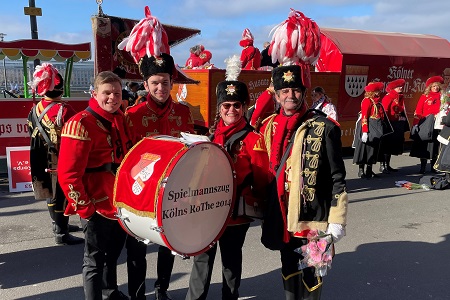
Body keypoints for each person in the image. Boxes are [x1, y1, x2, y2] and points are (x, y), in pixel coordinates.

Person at [260, 10, 347, 300]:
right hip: (284, 216)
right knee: (288, 268)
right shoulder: (270, 127)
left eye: (295, 90)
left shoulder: (325, 127)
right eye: (284, 91)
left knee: (313, 274)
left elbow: (337, 177)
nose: (290, 96)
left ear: (304, 91)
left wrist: (337, 219)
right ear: (276, 94)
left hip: (315, 218)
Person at [118, 6, 195, 300]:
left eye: (165, 82)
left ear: (172, 82)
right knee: (136, 246)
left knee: (168, 242)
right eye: (155, 83)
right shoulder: (132, 115)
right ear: (146, 84)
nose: (160, 87)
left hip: (173, 188)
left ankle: (162, 288)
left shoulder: (185, 113)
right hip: (141, 188)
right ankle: (137, 292)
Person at [185, 55, 269, 300]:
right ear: (219, 108)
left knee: (231, 263)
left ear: (244, 107)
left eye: (236, 105)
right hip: (206, 212)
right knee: (201, 261)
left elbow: (262, 180)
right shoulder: (208, 138)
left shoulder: (254, 140)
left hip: (236, 215)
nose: (231, 110)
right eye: (226, 106)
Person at [57, 71, 133, 300]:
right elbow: (68, 175)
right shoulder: (79, 124)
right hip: (96, 205)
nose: (112, 98)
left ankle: (110, 292)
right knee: (93, 261)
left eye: (117, 93)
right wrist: (86, 209)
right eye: (106, 93)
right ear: (95, 93)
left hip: (119, 202)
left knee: (112, 256)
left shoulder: (120, 118)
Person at [27, 63, 84, 246]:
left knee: (50, 192)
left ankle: (59, 224)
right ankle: (61, 232)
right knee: (60, 194)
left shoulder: (34, 110)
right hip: (59, 157)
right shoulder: (64, 110)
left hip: (40, 156)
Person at [352, 82, 387, 179]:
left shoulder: (378, 102)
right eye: (377, 91)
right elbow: (364, 117)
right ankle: (361, 170)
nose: (379, 92)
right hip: (368, 127)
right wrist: (364, 131)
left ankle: (369, 170)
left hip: (375, 128)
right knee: (364, 149)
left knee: (373, 149)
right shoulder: (367, 101)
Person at [410, 76, 444, 173]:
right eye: (433, 86)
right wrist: (416, 124)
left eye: (437, 86)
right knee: (424, 145)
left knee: (435, 145)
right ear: (430, 87)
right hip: (425, 124)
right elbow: (418, 111)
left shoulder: (442, 97)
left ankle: (434, 167)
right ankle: (423, 167)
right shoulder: (424, 97)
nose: (436, 88)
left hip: (436, 124)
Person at [378, 79, 408, 173]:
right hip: (389, 124)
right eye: (398, 87)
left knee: (392, 145)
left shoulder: (400, 97)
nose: (400, 88)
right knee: (386, 145)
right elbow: (384, 110)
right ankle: (382, 166)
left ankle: (388, 164)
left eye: (401, 87)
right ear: (393, 88)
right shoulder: (388, 97)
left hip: (396, 123)